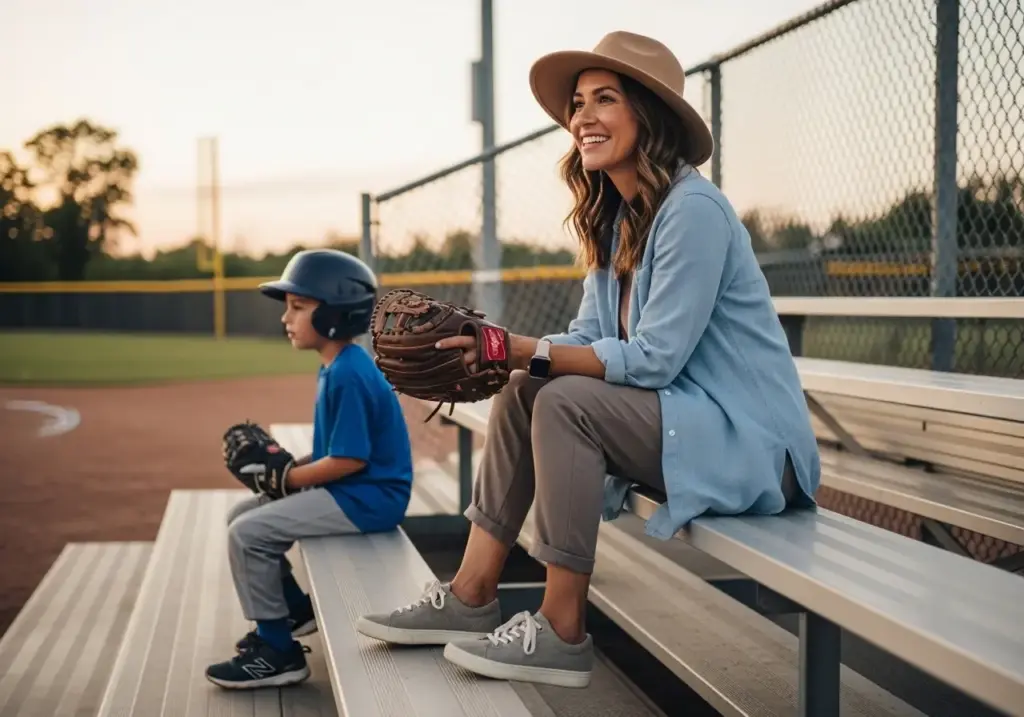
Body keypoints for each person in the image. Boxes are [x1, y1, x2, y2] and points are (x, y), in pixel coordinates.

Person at [356, 30, 821, 689]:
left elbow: (655, 358)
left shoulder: (695, 212)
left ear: (648, 116)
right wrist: (515, 358)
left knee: (563, 398)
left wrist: (521, 347)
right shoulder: (615, 220)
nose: (582, 118)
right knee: (526, 388)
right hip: (683, 423)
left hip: (752, 443)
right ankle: (471, 591)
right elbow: (584, 337)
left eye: (606, 99)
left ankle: (562, 627)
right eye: (578, 103)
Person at [205, 249, 414, 690]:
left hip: (369, 499)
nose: (287, 318)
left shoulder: (348, 374)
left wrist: (285, 479)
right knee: (239, 516)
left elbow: (350, 461)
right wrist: (290, 470)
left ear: (335, 314)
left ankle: (278, 651)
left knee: (248, 535)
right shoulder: (339, 365)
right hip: (356, 491)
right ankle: (294, 610)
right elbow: (334, 452)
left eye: (298, 307)